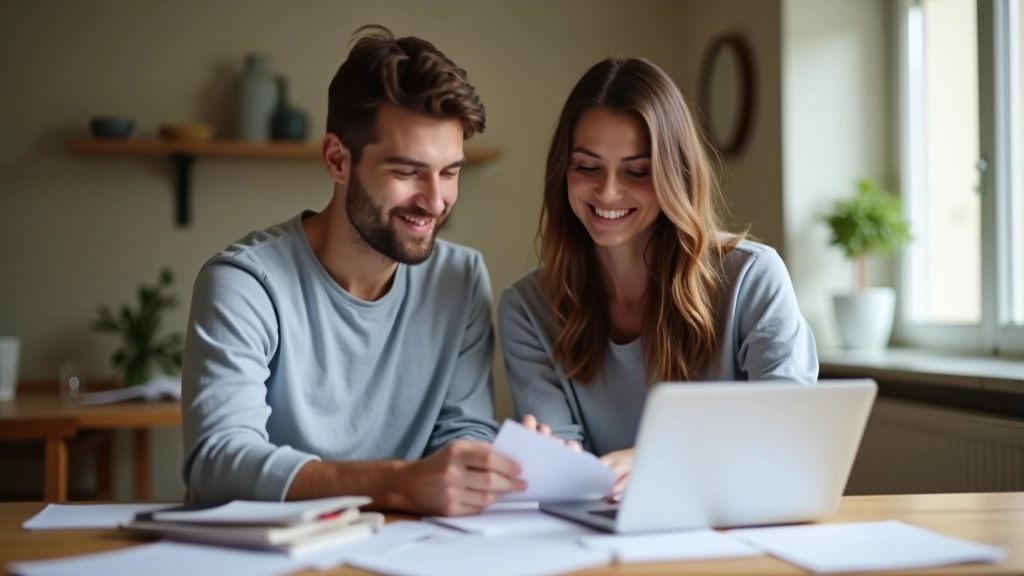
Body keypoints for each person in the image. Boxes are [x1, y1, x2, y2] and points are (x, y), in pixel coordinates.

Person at [181, 26, 525, 516]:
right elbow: (217, 463)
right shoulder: (243, 284)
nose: (435, 200)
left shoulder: (460, 279)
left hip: (406, 549)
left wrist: (476, 466)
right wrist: (396, 483)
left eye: (450, 172)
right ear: (337, 159)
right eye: (408, 172)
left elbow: (462, 430)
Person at [499, 56, 818, 490]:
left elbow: (788, 425)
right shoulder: (527, 307)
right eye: (587, 167)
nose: (608, 192)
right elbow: (569, 473)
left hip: (735, 522)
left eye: (637, 171)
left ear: (675, 174)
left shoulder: (753, 277)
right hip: (603, 534)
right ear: (563, 172)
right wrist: (551, 461)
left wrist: (657, 458)